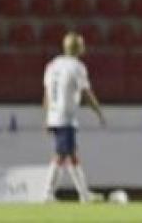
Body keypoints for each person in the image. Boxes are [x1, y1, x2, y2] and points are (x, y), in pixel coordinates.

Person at [42, 31, 106, 202]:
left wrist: (47, 117)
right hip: (65, 116)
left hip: (55, 115)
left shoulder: (53, 65)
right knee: (62, 155)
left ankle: (84, 194)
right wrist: (98, 110)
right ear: (79, 47)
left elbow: (47, 93)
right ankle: (48, 193)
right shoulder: (77, 67)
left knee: (70, 154)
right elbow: (86, 92)